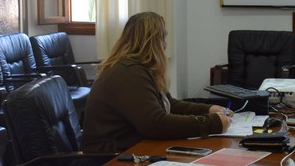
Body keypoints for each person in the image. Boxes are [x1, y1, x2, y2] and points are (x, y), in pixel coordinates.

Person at [82, 12, 231, 152]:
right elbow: (155, 124)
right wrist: (211, 123)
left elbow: (169, 104)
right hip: (110, 158)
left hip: (132, 147)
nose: (165, 45)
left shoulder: (138, 68)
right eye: (163, 38)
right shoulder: (129, 72)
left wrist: (209, 109)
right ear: (152, 41)